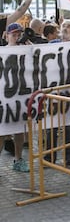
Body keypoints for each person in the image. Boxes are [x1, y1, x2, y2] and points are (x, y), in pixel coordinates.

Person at [0, 23, 34, 172]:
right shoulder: (2, 51)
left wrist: (32, 47)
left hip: (20, 96)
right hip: (5, 97)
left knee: (19, 130)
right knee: (2, 132)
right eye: (13, 34)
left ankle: (18, 159)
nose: (16, 37)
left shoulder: (26, 50)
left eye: (18, 34)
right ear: (6, 35)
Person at [44, 19, 70, 168]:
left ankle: (69, 158)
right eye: (64, 26)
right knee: (52, 125)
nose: (65, 28)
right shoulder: (52, 45)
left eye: (69, 26)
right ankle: (49, 157)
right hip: (55, 90)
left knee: (69, 125)